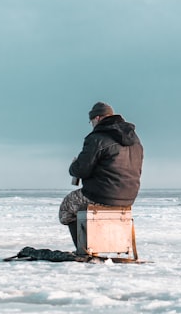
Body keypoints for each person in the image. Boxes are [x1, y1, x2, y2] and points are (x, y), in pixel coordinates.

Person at [59, 102, 144, 247]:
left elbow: (81, 170)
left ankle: (84, 248)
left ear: (97, 118)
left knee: (66, 209)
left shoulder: (96, 138)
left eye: (91, 121)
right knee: (83, 207)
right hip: (128, 197)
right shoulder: (135, 140)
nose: (91, 125)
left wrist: (74, 166)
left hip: (101, 195)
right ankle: (105, 243)